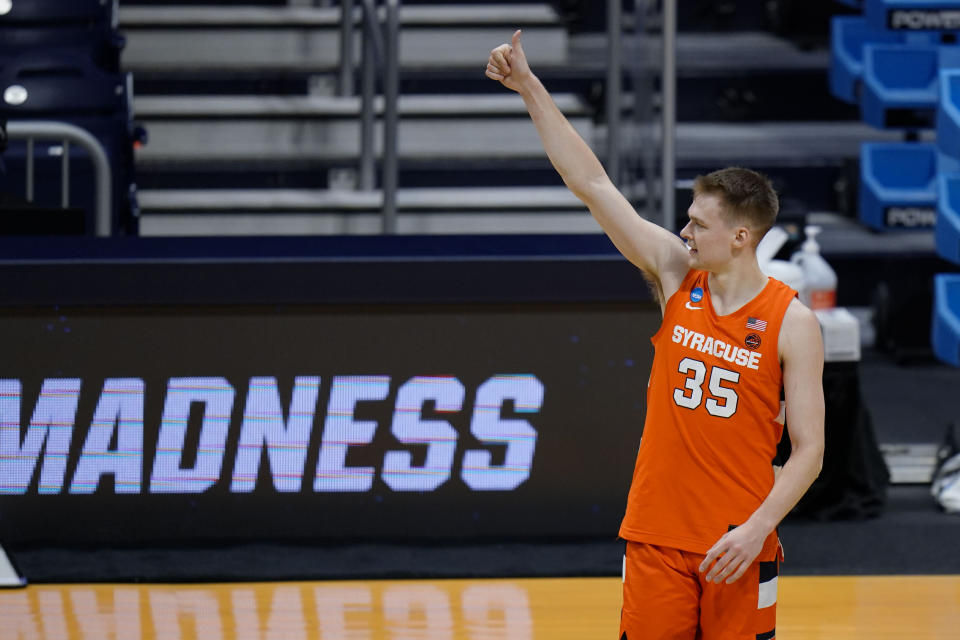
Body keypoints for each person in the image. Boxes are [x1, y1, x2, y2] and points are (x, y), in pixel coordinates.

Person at [486, 31, 825, 639]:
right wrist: (530, 89)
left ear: (742, 237)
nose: (684, 230)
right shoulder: (677, 275)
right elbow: (593, 187)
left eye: (698, 222)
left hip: (738, 543)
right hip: (656, 536)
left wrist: (755, 529)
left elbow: (809, 451)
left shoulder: (792, 322)